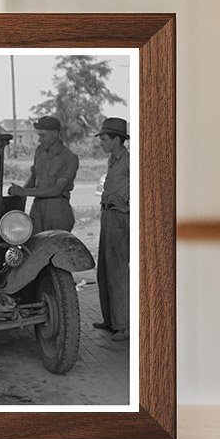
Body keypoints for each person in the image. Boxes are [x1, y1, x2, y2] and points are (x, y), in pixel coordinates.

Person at [6, 115, 79, 232]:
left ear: (55, 133)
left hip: (57, 208)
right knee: (33, 246)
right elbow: (34, 176)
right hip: (37, 206)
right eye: (39, 135)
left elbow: (57, 190)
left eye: (43, 135)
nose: (39, 139)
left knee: (55, 246)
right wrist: (19, 194)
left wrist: (24, 192)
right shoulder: (39, 151)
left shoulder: (70, 158)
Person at [93, 117, 130, 342]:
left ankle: (124, 326)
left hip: (120, 217)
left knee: (118, 272)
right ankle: (110, 320)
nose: (101, 143)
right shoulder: (112, 161)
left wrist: (126, 204)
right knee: (104, 271)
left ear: (117, 140)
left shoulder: (129, 161)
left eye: (105, 139)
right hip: (107, 216)